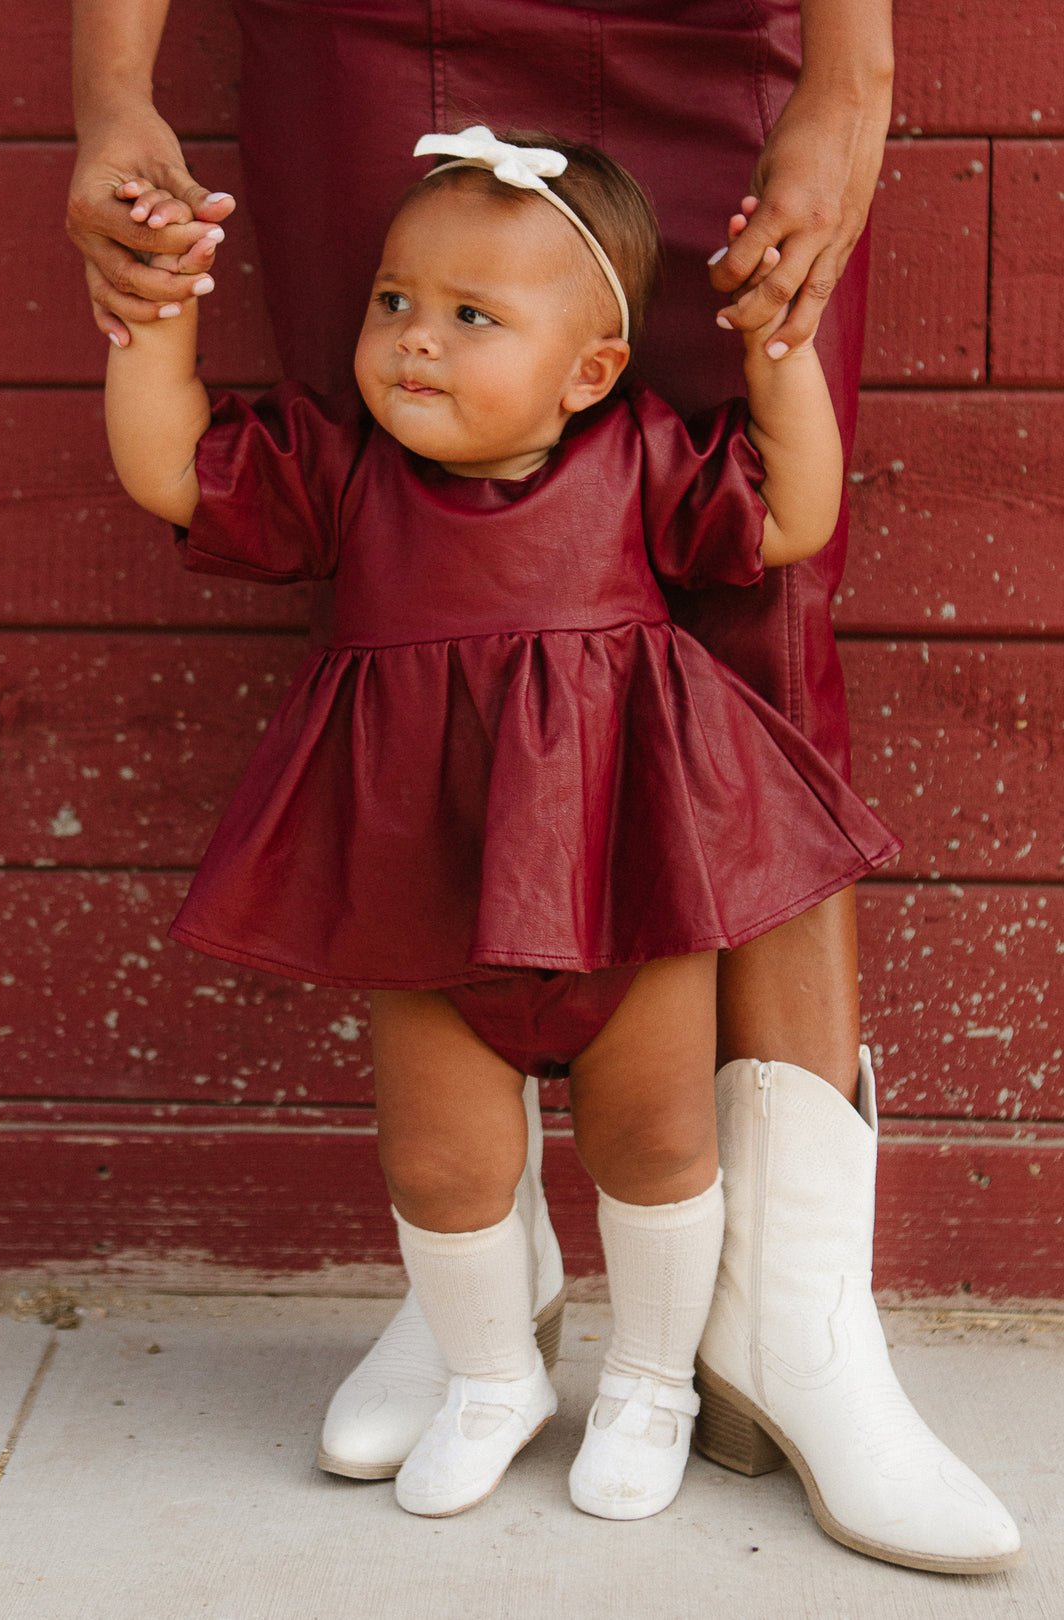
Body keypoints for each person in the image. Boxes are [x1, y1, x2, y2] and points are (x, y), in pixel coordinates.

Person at [67, 0, 1024, 1572]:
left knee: (764, 640)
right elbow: (201, 458)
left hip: (713, 30)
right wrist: (113, 87)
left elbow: (782, 510)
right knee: (400, 510)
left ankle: (786, 1322)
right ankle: (481, 1309)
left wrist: (854, 69)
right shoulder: (407, 341)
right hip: (368, 29)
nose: (414, 327)